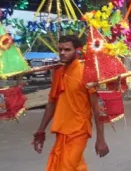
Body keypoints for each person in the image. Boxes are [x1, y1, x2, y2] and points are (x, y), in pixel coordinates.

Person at [32, 35, 109, 171]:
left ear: (77, 51)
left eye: (67, 50)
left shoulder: (86, 72)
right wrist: (40, 130)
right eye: (60, 49)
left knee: (66, 167)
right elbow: (51, 103)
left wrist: (101, 139)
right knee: (68, 166)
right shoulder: (58, 72)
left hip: (79, 129)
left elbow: (97, 108)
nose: (62, 53)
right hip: (62, 129)